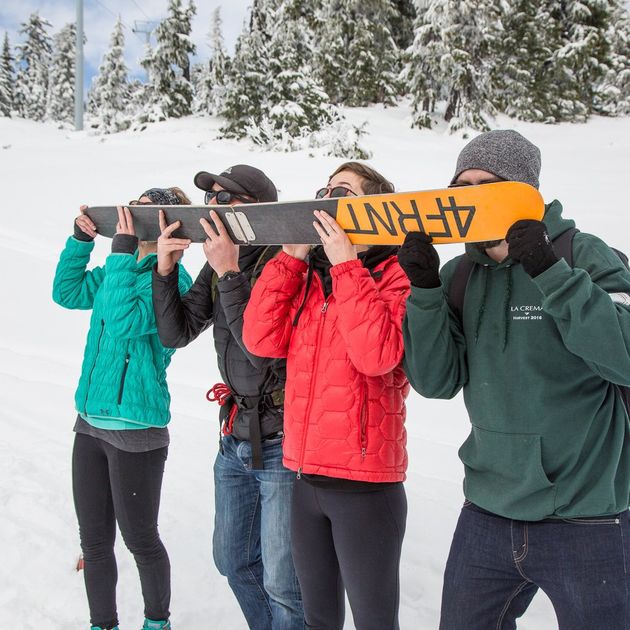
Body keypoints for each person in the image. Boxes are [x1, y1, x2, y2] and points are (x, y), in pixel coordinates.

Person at [398, 129, 630, 630]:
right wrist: (425, 292)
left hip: (586, 514)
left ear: (523, 190)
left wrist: (550, 272)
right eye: (462, 186)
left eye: (489, 183)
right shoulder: (461, 273)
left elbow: (626, 356)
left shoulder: (583, 254)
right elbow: (436, 380)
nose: (474, 196)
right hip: (487, 510)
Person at [242, 162, 411, 630]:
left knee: (375, 622)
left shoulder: (397, 276)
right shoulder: (312, 280)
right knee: (319, 619)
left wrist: (347, 265)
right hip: (305, 477)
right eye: (325, 190)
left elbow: (377, 356)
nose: (328, 198)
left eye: (343, 191)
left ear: (372, 207)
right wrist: (292, 255)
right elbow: (259, 339)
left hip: (366, 486)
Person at [151, 165, 303, 630]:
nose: (213, 207)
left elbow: (261, 354)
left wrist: (231, 272)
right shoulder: (221, 265)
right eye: (211, 199)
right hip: (235, 435)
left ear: (256, 208)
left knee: (284, 580)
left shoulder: (285, 261)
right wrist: (165, 268)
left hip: (280, 439)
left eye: (225, 199)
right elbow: (176, 333)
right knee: (232, 560)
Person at [52, 187, 193, 630]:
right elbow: (67, 292)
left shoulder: (173, 282)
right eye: (135, 213)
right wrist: (80, 242)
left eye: (149, 217)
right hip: (89, 422)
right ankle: (102, 624)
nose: (136, 222)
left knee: (140, 539)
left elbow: (123, 320)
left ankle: (156, 622)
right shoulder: (121, 264)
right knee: (94, 542)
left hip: (137, 430)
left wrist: (121, 256)